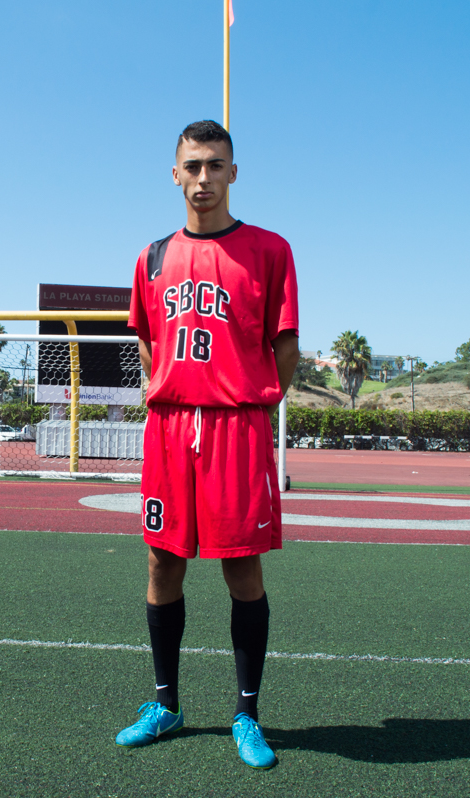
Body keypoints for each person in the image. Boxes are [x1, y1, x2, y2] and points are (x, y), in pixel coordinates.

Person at [116, 120, 299, 769]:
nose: (203, 178)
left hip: (235, 426)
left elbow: (284, 347)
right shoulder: (152, 256)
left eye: (215, 165)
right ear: (175, 174)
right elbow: (146, 338)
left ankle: (247, 714)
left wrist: (251, 399)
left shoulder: (269, 251)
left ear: (233, 173)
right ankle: (165, 702)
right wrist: (168, 385)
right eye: (192, 166)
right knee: (163, 563)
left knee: (240, 568)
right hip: (170, 428)